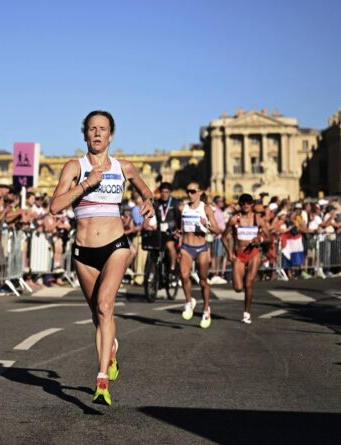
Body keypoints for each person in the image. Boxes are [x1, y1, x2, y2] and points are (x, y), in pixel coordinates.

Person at [49, 110, 155, 406]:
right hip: (84, 252)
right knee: (98, 314)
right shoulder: (75, 167)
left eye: (103, 129)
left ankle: (102, 379)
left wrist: (149, 203)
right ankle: (112, 349)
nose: (97, 133)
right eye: (92, 128)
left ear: (111, 135)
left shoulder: (125, 167)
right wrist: (85, 185)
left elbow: (147, 192)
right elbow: (55, 206)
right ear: (85, 134)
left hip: (115, 246)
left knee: (106, 306)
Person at [178, 183, 221, 328]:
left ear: (200, 192)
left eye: (193, 191)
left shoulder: (206, 208)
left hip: (201, 248)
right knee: (184, 275)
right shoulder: (183, 208)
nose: (190, 194)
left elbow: (217, 230)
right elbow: (181, 227)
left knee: (203, 281)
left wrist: (206, 224)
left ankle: (206, 309)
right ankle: (189, 301)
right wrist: (178, 232)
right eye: (188, 191)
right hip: (186, 247)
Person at [222, 193, 269, 324]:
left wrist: (260, 239)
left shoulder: (258, 219)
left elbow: (269, 237)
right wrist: (229, 253)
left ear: (252, 204)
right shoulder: (234, 219)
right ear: (240, 204)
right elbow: (223, 237)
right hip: (239, 255)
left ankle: (247, 313)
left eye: (248, 203)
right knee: (238, 288)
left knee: (249, 284)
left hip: (254, 253)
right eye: (243, 203)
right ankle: (241, 275)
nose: (246, 205)